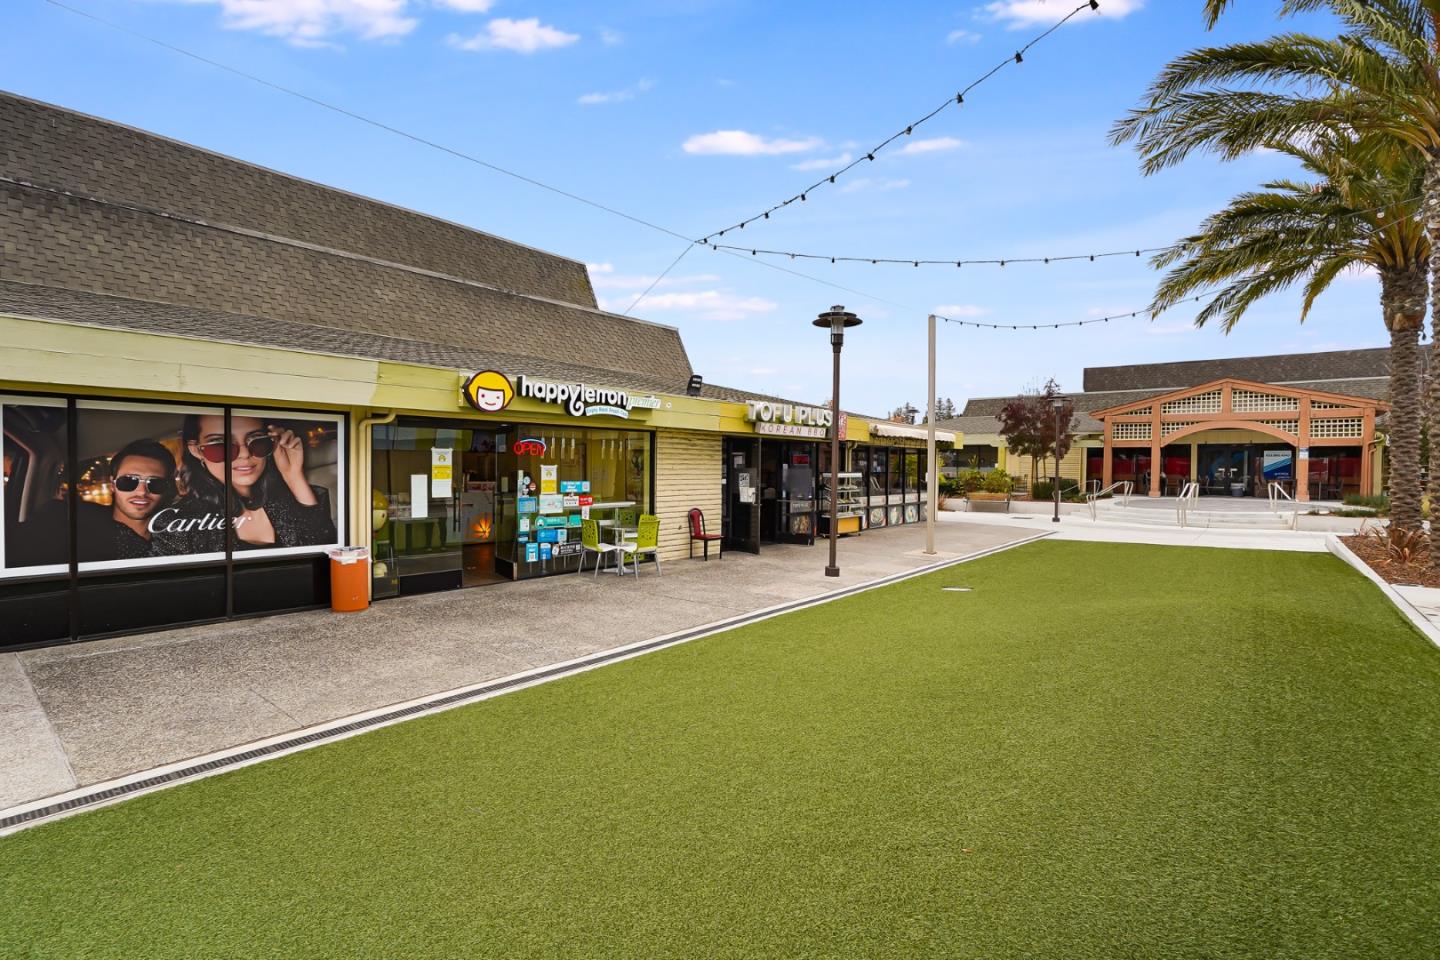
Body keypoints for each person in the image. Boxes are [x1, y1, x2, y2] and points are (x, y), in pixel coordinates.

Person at [152, 414, 335, 555]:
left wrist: (293, 475)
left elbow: (325, 558)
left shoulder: (293, 497)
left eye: (256, 440)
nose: (244, 454)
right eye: (220, 444)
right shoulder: (176, 524)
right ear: (195, 450)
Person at [77, 439, 177, 562]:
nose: (142, 492)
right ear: (112, 484)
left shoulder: (180, 533)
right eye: (129, 481)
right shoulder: (83, 536)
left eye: (155, 483)